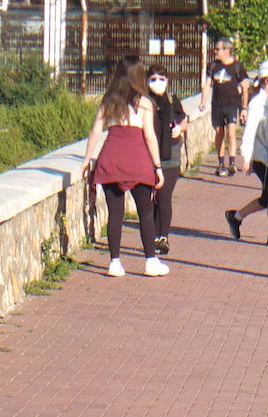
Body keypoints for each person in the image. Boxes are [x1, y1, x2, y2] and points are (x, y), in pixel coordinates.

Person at [80, 56, 168, 277]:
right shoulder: (145, 103)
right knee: (145, 213)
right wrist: (157, 167)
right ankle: (150, 260)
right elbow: (149, 136)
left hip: (111, 158)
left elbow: (95, 132)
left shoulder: (109, 101)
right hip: (137, 159)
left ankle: (115, 262)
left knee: (115, 214)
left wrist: (86, 160)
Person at [225, 60, 268, 248]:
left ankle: (236, 217)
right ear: (266, 80)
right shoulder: (257, 103)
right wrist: (246, 158)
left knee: (267, 197)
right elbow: (250, 131)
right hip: (263, 154)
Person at [146, 64, 188, 256]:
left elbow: (184, 119)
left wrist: (179, 127)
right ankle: (154, 235)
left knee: (163, 196)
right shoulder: (144, 102)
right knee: (151, 199)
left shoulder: (173, 100)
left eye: (161, 79)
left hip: (170, 156)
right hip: (148, 156)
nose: (158, 83)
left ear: (167, 81)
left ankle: (163, 237)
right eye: (153, 79)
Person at [203, 38, 249, 176]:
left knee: (231, 133)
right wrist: (203, 101)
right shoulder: (213, 66)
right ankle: (221, 163)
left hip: (232, 104)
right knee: (219, 134)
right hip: (217, 105)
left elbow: (245, 88)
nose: (215, 51)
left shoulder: (236, 66)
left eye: (218, 49)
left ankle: (232, 163)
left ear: (227, 50)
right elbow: (207, 84)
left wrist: (244, 108)